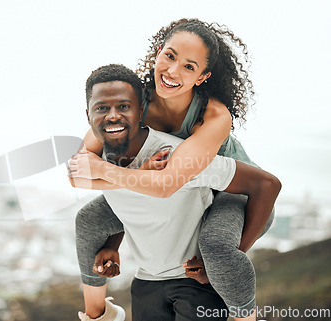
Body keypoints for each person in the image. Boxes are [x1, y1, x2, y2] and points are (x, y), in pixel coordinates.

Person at [69, 19, 277, 321]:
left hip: (234, 195)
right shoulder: (133, 100)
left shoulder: (213, 115)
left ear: (203, 76)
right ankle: (98, 314)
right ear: (158, 52)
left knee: (216, 246)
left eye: (189, 67)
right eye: (170, 56)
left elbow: (164, 185)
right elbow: (78, 173)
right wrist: (114, 238)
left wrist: (229, 257)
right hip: (178, 192)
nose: (172, 71)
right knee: (89, 220)